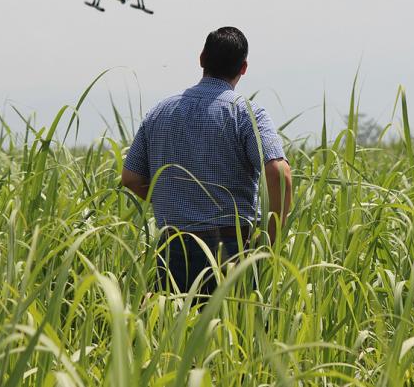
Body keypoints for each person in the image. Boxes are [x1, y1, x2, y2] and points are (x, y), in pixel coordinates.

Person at [121, 26, 293, 297]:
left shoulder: (159, 112)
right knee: (232, 333)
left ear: (202, 58)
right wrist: (270, 240)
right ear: (244, 68)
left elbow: (130, 178)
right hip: (232, 248)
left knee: (173, 333)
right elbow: (279, 173)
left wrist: (173, 199)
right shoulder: (247, 113)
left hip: (173, 245)